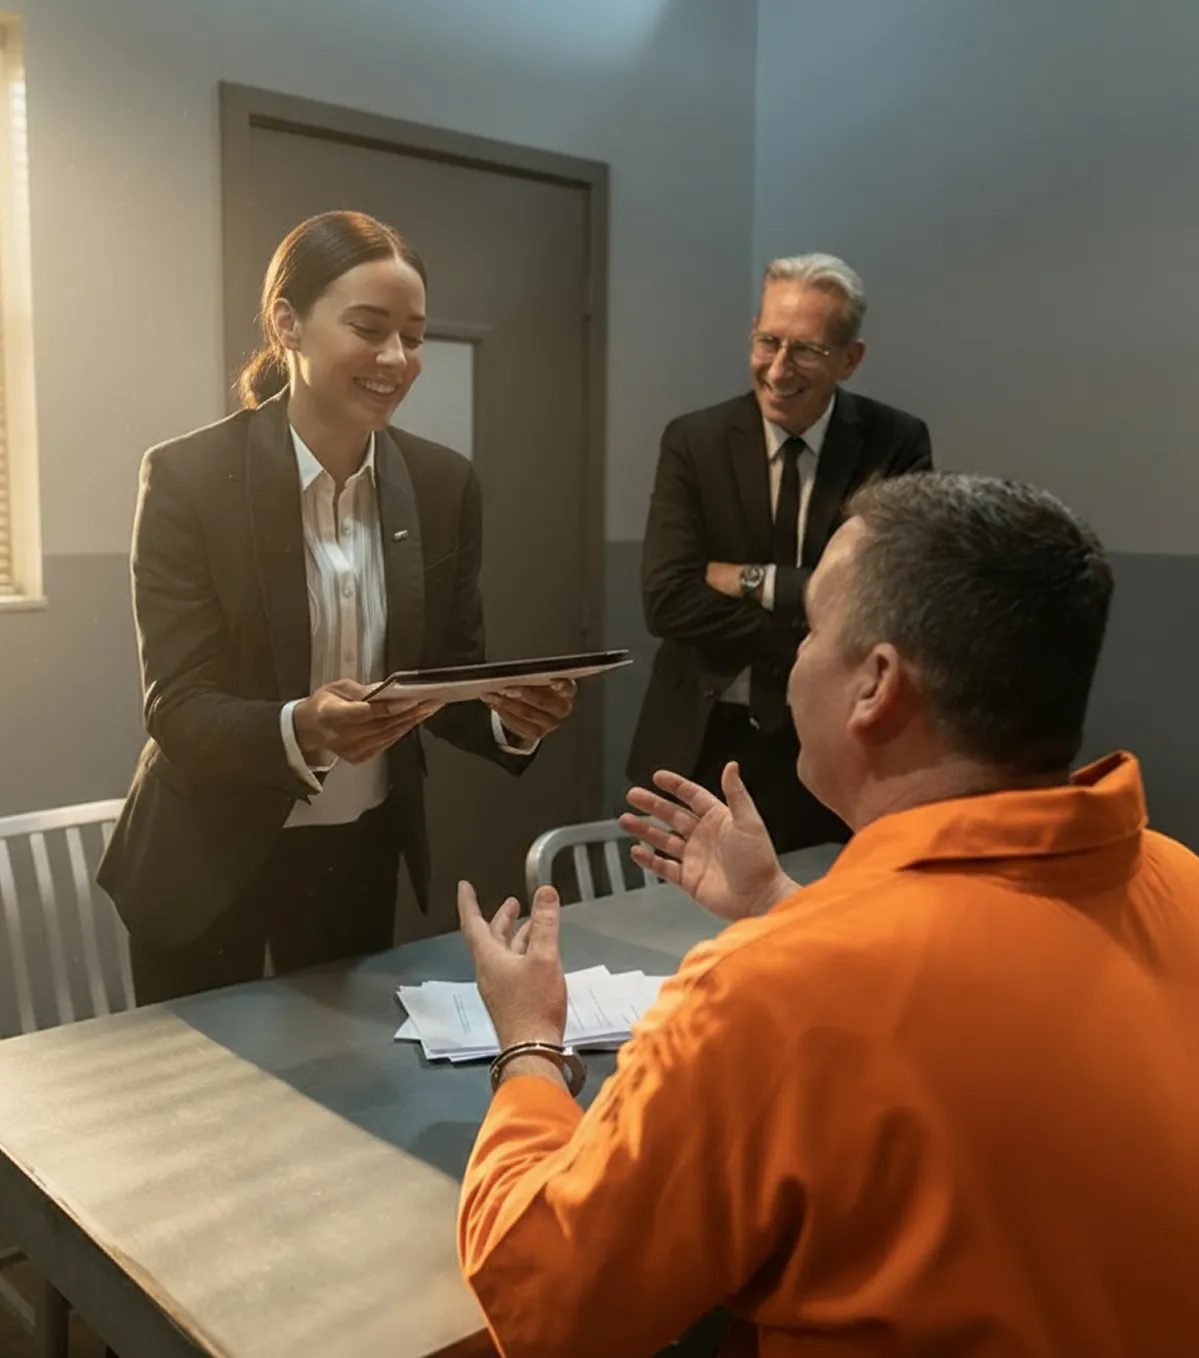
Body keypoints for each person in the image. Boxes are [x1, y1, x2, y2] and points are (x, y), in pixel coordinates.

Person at [455, 472, 1199, 1357]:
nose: (796, 658)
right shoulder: (1175, 881)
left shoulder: (771, 993)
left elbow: (548, 1307)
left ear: (875, 685)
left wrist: (531, 1044)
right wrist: (777, 905)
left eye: (809, 631)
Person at [99, 210, 575, 1004]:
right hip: (206, 859)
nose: (395, 358)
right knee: (201, 1111)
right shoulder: (189, 477)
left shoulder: (440, 483)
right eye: (368, 328)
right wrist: (303, 725)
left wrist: (510, 717)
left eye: (414, 336)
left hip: (354, 853)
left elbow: (441, 673)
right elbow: (178, 708)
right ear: (287, 322)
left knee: (339, 1092)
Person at [628, 253, 931, 853]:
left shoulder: (894, 443)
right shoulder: (695, 441)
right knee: (684, 935)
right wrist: (817, 622)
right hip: (702, 741)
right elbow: (667, 601)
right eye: (768, 341)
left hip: (835, 752)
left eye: (806, 351)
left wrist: (753, 581)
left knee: (820, 926)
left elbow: (893, 602)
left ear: (850, 359)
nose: (778, 368)